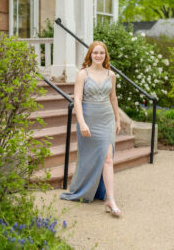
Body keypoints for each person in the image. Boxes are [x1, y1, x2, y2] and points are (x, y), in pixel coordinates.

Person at [60, 41, 121, 217]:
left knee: (108, 158)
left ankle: (110, 198)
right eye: (95, 53)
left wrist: (117, 120)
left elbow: (114, 98)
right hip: (88, 119)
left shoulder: (111, 75)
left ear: (105, 56)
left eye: (102, 53)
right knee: (90, 157)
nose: (98, 56)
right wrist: (82, 122)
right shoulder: (83, 74)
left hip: (107, 119)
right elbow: (77, 99)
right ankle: (86, 189)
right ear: (90, 55)